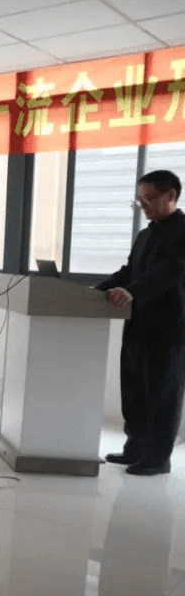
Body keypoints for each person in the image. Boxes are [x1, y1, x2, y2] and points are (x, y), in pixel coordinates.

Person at [99, 169, 185, 476]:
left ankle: (157, 458)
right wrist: (96, 291)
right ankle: (134, 449)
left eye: (148, 198)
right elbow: (128, 272)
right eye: (140, 200)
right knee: (134, 391)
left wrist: (132, 292)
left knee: (162, 395)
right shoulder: (145, 235)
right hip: (137, 324)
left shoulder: (183, 231)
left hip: (168, 327)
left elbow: (169, 272)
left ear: (171, 195)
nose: (143, 205)